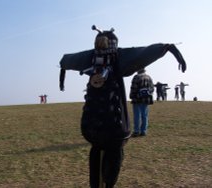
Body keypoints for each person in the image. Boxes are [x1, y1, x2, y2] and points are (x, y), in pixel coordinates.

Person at [59, 25, 186, 188]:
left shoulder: (91, 56)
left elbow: (67, 60)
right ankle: (108, 183)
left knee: (97, 152)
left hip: (91, 124)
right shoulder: (120, 57)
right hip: (115, 126)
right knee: (113, 155)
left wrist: (62, 76)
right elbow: (144, 53)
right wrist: (170, 49)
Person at [130, 68, 154, 137]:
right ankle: (143, 131)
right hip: (146, 99)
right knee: (144, 116)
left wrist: (132, 96)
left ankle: (136, 131)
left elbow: (133, 88)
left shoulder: (136, 77)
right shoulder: (149, 77)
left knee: (137, 116)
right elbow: (152, 88)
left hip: (137, 99)